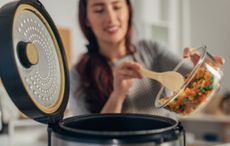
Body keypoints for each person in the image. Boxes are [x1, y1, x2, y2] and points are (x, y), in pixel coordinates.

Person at [69, 0, 224, 116]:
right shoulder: (78, 74)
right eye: (99, 10)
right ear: (87, 19)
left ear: (128, 10)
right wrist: (117, 95)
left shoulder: (151, 50)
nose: (110, 17)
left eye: (116, 7)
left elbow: (199, 88)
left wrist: (207, 73)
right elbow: (87, 138)